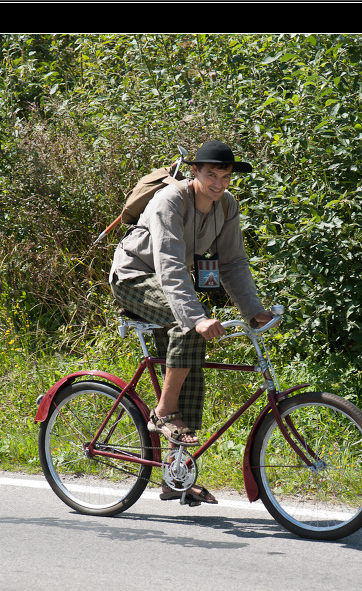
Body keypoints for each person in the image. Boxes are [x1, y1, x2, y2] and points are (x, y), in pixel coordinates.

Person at [108, 140, 272, 505]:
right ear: (195, 172)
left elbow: (232, 263)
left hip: (171, 283)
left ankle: (175, 473)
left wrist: (253, 310)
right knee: (189, 326)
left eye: (225, 176)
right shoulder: (170, 200)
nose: (219, 183)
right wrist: (196, 318)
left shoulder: (227, 206)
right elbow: (167, 265)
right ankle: (163, 412)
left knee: (190, 363)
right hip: (135, 278)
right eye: (211, 174)